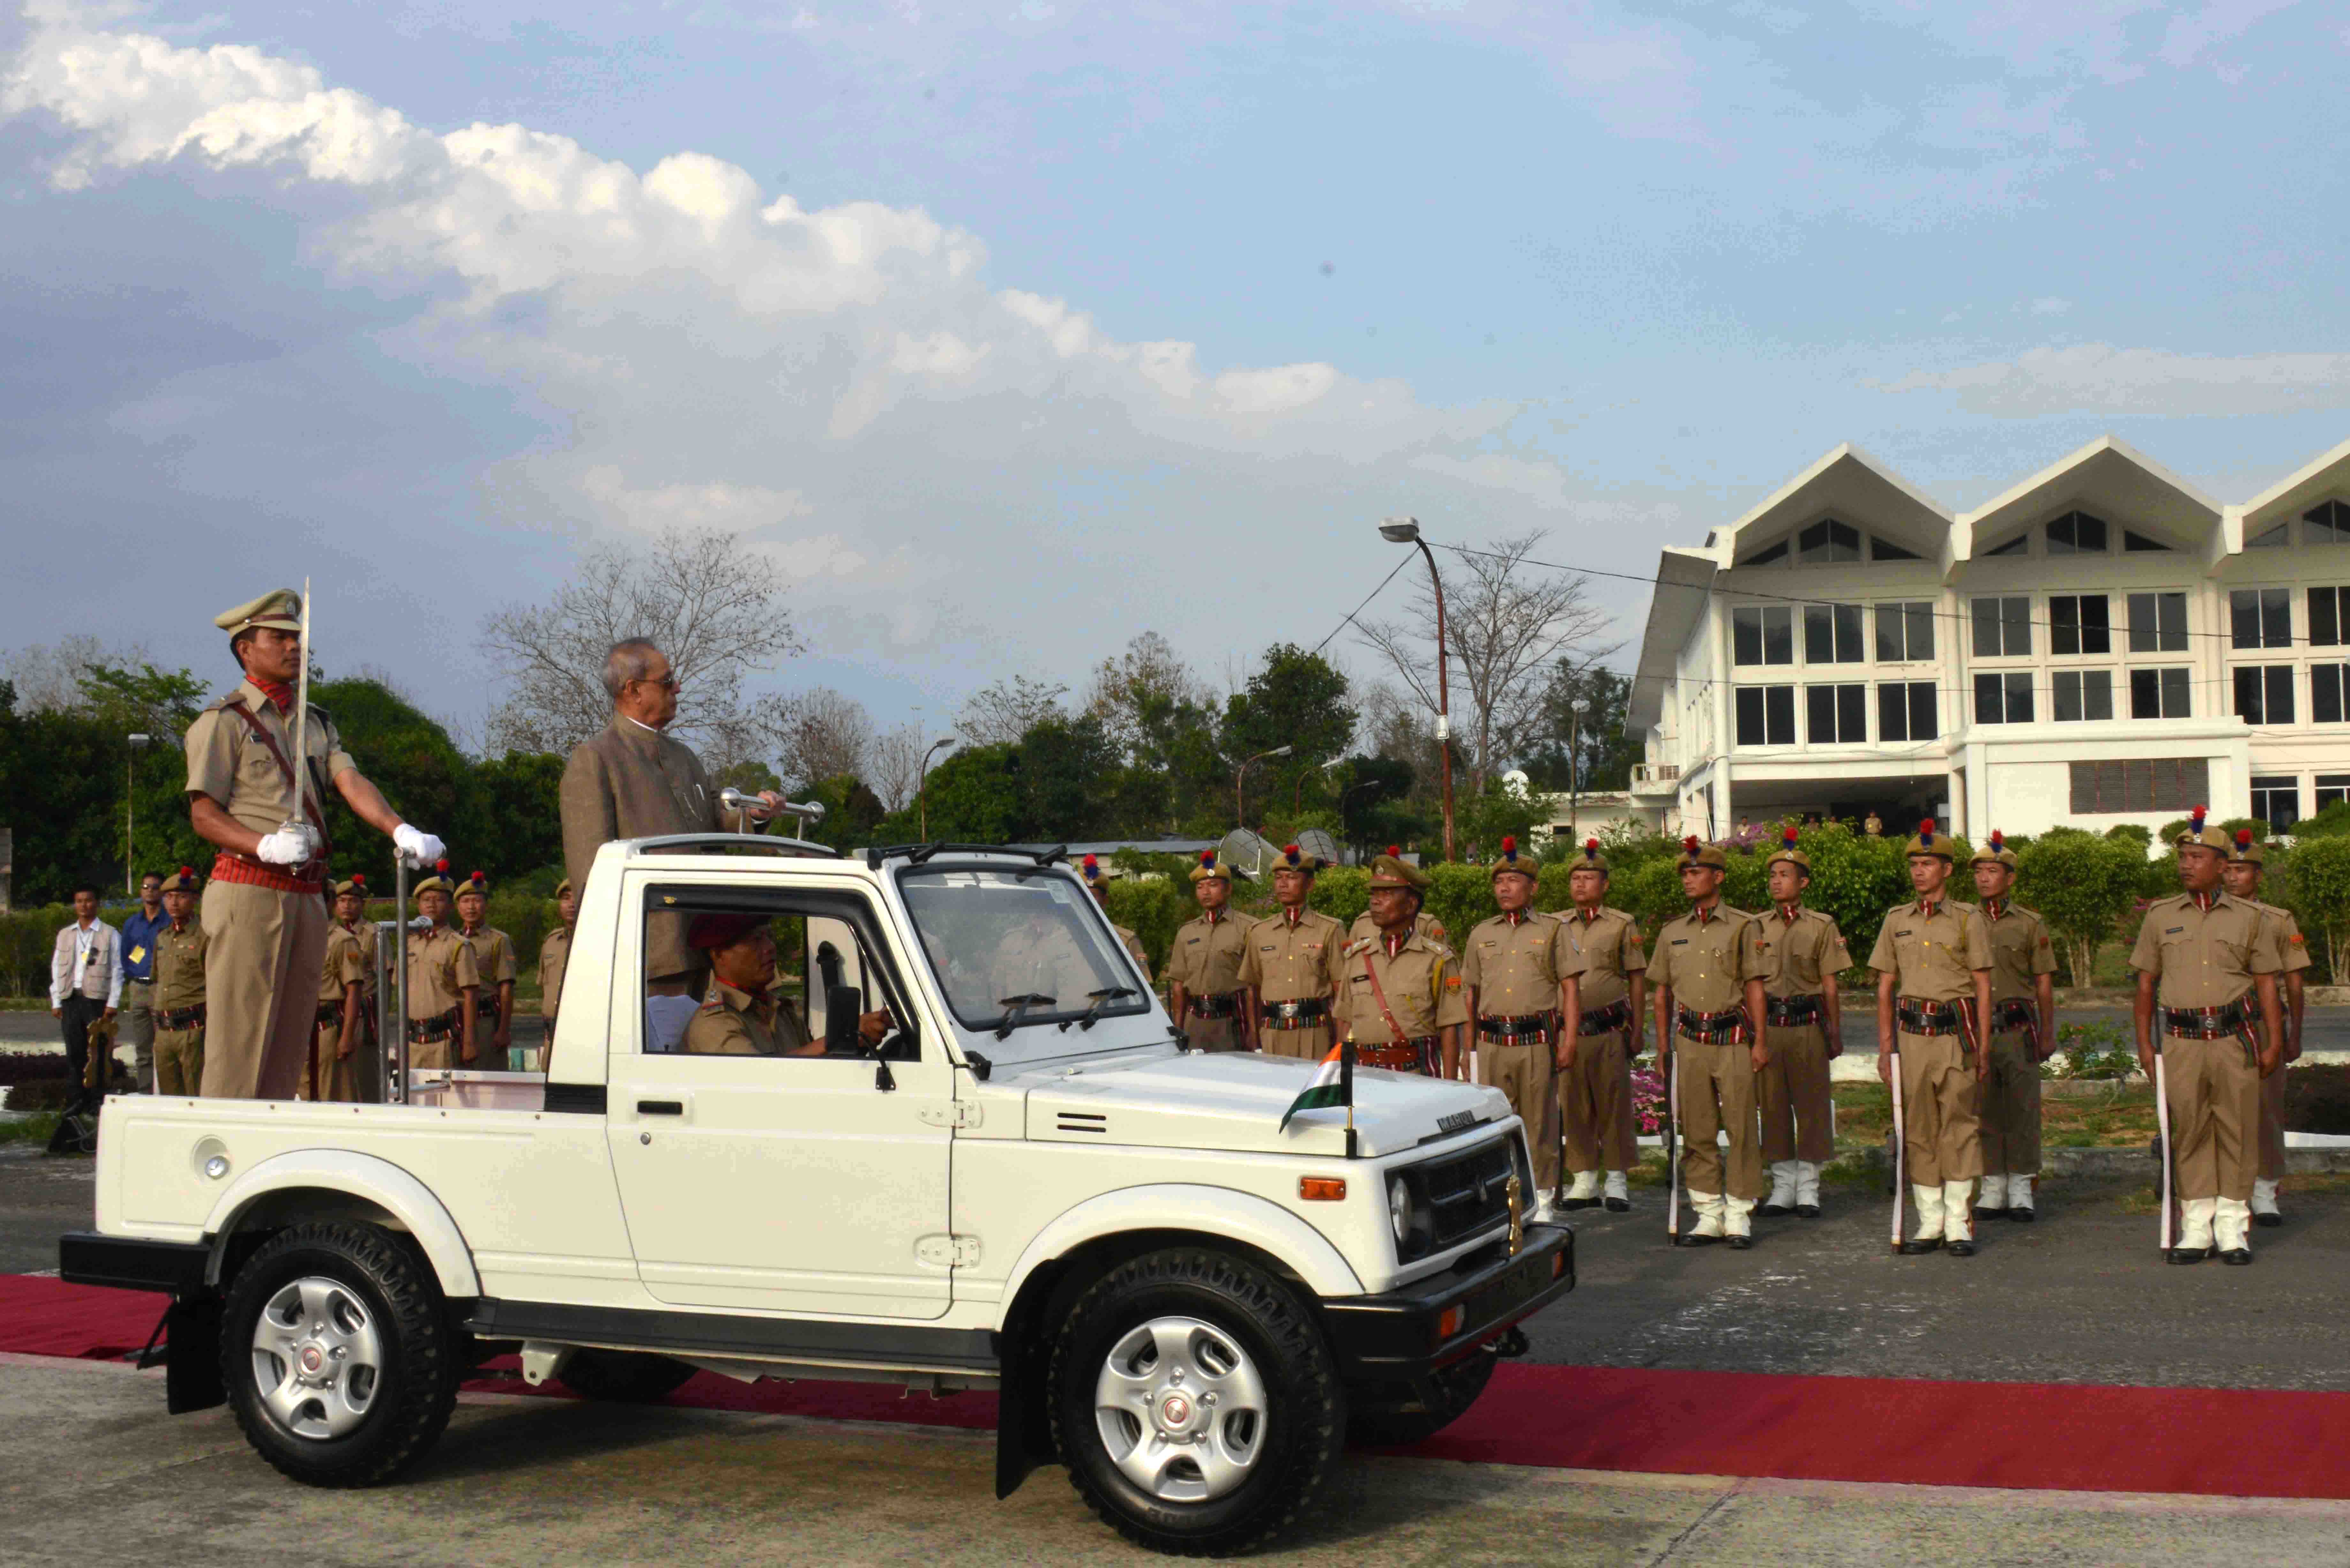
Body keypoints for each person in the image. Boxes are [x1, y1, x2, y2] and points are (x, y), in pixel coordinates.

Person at [186, 588, 443, 1100]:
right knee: (240, 1045)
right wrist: (262, 846)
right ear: (245, 649)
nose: (294, 648)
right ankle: (227, 1155)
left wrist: (399, 829)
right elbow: (203, 814)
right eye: (279, 638)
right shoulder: (225, 722)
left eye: (297, 639)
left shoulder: (317, 721)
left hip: (306, 897)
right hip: (249, 891)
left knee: (288, 1044)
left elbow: (350, 781)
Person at [558, 638, 784, 994]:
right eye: (667, 682)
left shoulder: (684, 756)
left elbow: (712, 820)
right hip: (647, 958)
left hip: (705, 945)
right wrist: (604, 953)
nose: (678, 687)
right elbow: (592, 873)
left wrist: (753, 815)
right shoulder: (596, 759)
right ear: (633, 690)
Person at [2131, 811, 2285, 1264]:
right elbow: (2144, 986)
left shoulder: (2252, 918)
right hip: (2181, 1040)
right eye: (2183, 857)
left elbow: (2267, 986)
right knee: (2191, 1130)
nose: (2187, 865)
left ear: (2221, 866)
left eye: (2197, 857)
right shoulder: (2161, 917)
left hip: (2236, 1040)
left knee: (2238, 1131)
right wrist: (2144, 1044)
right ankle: (2196, 1228)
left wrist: (2274, 1041)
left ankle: (2233, 1229)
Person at [1870, 820, 1994, 1257]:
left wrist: (1983, 1045)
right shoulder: (1896, 920)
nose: (1919, 872)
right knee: (1918, 1128)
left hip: (1955, 1036)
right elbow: (1886, 986)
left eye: (1927, 864)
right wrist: (1886, 1049)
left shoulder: (1968, 919)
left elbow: (1982, 985)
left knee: (1959, 1126)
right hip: (1912, 1036)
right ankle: (1930, 1220)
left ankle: (1959, 1220)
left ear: (1947, 871)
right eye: (1915, 865)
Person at [1647, 837, 1767, 1248]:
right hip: (1690, 1040)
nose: (1688, 879)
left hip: (1733, 1036)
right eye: (1684, 873)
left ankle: (1738, 1212)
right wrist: (1664, 1048)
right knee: (1696, 1129)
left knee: (1740, 1128)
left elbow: (1754, 987)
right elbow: (1660, 994)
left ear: (1717, 877)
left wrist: (1760, 1042)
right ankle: (1707, 1212)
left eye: (1695, 872)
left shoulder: (1743, 925)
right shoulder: (1671, 932)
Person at [1461, 837, 1581, 1213]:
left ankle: (1543, 1198)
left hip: (1535, 1041)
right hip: (1493, 1042)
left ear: (1533, 888)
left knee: (1540, 1124)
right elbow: (1470, 995)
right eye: (1499, 882)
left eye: (1513, 882)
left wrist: (1569, 1040)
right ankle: (1502, 1199)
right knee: (1493, 1127)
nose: (1504, 888)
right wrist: (1470, 1050)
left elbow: (1570, 988)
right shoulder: (1481, 933)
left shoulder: (1553, 930)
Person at [1753, 826, 1850, 1220]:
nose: (1777, 882)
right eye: (1773, 876)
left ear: (1803, 882)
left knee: (1811, 1105)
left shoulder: (1821, 926)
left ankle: (1809, 1187)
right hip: (1770, 1026)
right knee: (1773, 1105)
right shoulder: (1756, 926)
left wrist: (1834, 1032)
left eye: (1785, 875)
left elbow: (1830, 984)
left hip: (1808, 1025)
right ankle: (1782, 1186)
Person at [2220, 831, 2308, 1228]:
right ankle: (2226, 1188)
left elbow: (2293, 981)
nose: (2233, 878)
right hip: (2220, 1027)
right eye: (2229, 870)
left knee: (2267, 1110)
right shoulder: (2209, 917)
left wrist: (2292, 1035)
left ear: (2258, 875)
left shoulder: (2277, 920)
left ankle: (2265, 1188)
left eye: (2241, 870)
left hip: (2262, 1024)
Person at [1970, 832, 2057, 1223]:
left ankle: (2021, 1184)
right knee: (1984, 1106)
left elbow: (2042, 981)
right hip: (1976, 1029)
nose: (1985, 878)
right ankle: (1992, 1184)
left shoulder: (2029, 924)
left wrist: (2048, 1030)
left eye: (1993, 871)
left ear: (2010, 878)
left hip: (2018, 1028)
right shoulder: (1963, 920)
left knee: (2022, 1107)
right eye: (1980, 872)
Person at [1557, 837, 1645, 1213]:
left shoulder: (1622, 924)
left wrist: (1638, 1029)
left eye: (1589, 878)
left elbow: (1637, 978)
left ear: (1604, 885)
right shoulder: (1556, 926)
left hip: (1609, 1028)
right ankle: (1584, 1179)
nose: (1580, 884)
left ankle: (1618, 1179)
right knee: (1574, 1105)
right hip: (1569, 1032)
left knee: (1613, 1104)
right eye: (1576, 878)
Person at [1332, 850, 1467, 1077]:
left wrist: (1451, 1087)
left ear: (1411, 904)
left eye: (1387, 894)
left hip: (1417, 1075)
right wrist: (1342, 1077)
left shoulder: (1436, 960)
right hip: (1365, 1076)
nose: (1375, 901)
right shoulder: (1357, 958)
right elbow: (1345, 1022)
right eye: (1374, 893)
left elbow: (1449, 1028)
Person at [680, 912, 893, 1055]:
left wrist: (860, 1037)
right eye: (756, 940)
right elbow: (761, 1081)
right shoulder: (713, 1024)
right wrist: (837, 1039)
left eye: (770, 937)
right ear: (719, 955)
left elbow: (812, 1069)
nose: (771, 947)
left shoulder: (778, 1009)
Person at [1240, 843, 1349, 1063]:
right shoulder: (1259, 933)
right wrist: (1253, 1035)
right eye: (1279, 878)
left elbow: (1342, 990)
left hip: (1315, 1032)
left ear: (1310, 885)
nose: (1283, 884)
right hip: (1272, 1032)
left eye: (1291, 878)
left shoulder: (1330, 929)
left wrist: (1341, 1040)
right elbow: (1252, 989)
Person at [1165, 851, 1252, 1052]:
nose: (1206, 892)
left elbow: (1254, 987)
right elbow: (1179, 986)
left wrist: (1253, 1033)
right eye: (1200, 887)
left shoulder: (1250, 928)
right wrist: (1178, 1029)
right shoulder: (1187, 932)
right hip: (1195, 1023)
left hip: (1233, 1023)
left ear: (1228, 889)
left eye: (1213, 886)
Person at [49, 884, 122, 1104]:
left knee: (98, 1053)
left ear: (97, 903)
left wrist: (113, 1002)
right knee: (75, 1053)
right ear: (75, 905)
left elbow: (118, 969)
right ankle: (76, 1102)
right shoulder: (65, 934)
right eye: (79, 901)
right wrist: (56, 1000)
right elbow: (56, 968)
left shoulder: (110, 933)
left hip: (96, 1000)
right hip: (71, 998)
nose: (84, 905)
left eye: (89, 901)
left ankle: (96, 1102)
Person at [306, 874, 375, 1103]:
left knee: (332, 1095)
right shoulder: (301, 935)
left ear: (328, 903)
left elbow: (354, 991)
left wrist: (347, 1038)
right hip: (302, 1029)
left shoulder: (341, 941)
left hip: (328, 1028)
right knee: (304, 1095)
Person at [405, 864, 481, 1071]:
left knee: (448, 1099)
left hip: (445, 1039)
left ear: (450, 906)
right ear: (419, 906)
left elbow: (471, 995)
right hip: (413, 1040)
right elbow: (401, 995)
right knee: (415, 1100)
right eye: (426, 900)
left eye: (438, 900)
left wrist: (470, 1042)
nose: (431, 905)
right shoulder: (409, 944)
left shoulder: (459, 945)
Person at [150, 868, 209, 1096]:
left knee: (196, 1095)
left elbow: (215, 985)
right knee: (169, 1097)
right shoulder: (163, 937)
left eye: (182, 897)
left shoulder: (204, 936)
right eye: (169, 897)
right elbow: (157, 980)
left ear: (195, 900)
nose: (174, 903)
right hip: (164, 1031)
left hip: (193, 1030)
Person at [454, 871, 519, 1069]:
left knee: (487, 1074)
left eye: (476, 901)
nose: (471, 907)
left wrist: (503, 1030)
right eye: (466, 902)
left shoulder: (498, 940)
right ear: (458, 907)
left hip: (485, 1020)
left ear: (486, 905)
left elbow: (506, 987)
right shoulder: (452, 940)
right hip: (456, 1020)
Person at [119, 871, 168, 1092]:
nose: (150, 891)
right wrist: (133, 974)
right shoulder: (132, 923)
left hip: (162, 987)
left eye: (155, 887)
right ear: (141, 891)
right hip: (138, 988)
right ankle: (145, 1092)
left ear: (163, 891)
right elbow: (125, 954)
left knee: (166, 1047)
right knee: (143, 1048)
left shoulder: (170, 920)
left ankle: (167, 1093)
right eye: (146, 887)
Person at [1074, 855, 1152, 976]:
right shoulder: (1060, 939)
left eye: (1093, 896)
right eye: (1082, 895)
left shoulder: (1127, 941)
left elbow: (1143, 986)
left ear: (1105, 901)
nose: (1087, 901)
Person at [538, 879, 578, 1071]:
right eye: (565, 898)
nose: (571, 904)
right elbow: (544, 986)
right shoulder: (551, 941)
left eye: (576, 897)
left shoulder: (600, 939)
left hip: (582, 1037)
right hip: (552, 1034)